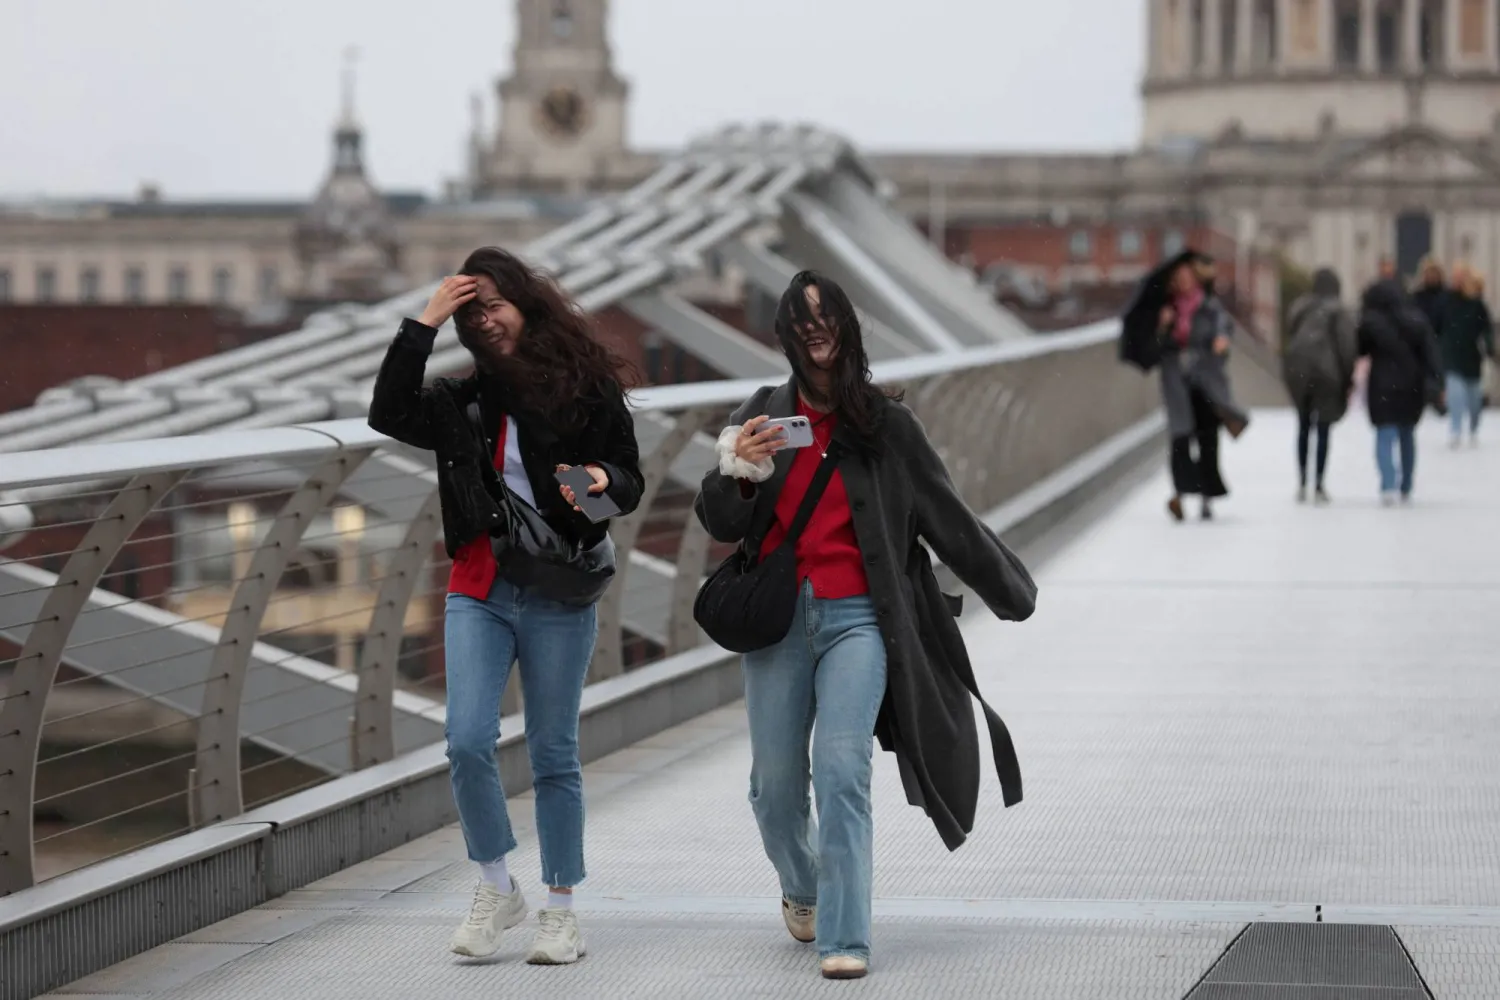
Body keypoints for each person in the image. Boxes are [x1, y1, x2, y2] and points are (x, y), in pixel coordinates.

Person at [694, 271, 1036, 981]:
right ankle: (804, 887)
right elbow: (720, 522)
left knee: (844, 769)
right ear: (786, 336)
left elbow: (947, 515)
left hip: (859, 621)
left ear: (847, 327)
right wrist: (738, 472)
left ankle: (845, 936)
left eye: (827, 316)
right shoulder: (761, 413)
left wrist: (1010, 589)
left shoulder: (887, 426)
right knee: (775, 789)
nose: (815, 329)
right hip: (781, 621)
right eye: (801, 319)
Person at [368, 246, 643, 965]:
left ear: (525, 305)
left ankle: (560, 908)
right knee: (465, 741)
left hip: (558, 588)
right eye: (470, 312)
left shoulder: (586, 391)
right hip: (479, 586)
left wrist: (593, 480)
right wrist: (422, 322)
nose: (483, 320)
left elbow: (630, 483)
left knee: (554, 753)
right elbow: (387, 410)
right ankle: (497, 884)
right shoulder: (463, 401)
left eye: (493, 304)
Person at [1156, 253, 1249, 522]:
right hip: (1177, 382)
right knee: (1180, 440)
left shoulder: (1209, 307)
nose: (1183, 282)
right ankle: (1180, 494)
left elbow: (1224, 330)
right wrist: (1163, 327)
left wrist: (1221, 340)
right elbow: (1157, 347)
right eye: (1178, 278)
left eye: (1187, 277)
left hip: (1205, 383)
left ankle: (1207, 496)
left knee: (1208, 440)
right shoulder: (1168, 309)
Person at [1356, 278, 1442, 505]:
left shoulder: (1371, 324)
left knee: (1384, 435)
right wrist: (1434, 380)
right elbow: (1430, 355)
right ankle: (1406, 483)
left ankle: (1387, 483)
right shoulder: (1417, 321)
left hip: (1382, 385)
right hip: (1411, 385)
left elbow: (1359, 350)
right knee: (1407, 435)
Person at [1281, 268, 1357, 503]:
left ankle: (1302, 481)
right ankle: (1319, 484)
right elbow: (1346, 347)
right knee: (1323, 429)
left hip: (1299, 371)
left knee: (1303, 426)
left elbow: (1289, 335)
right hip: (1327, 374)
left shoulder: (1300, 308)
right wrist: (1347, 377)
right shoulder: (1338, 311)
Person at [1437, 265, 1495, 447]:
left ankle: (1473, 427)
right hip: (1451, 356)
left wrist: (1490, 348)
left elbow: (1486, 329)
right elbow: (1436, 326)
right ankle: (1455, 429)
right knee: (1456, 395)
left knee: (1474, 400)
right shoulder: (1445, 301)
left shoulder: (1477, 304)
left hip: (1471, 357)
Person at [1411, 255, 1448, 336]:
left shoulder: (1447, 297)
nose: (1432, 276)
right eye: (1429, 272)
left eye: (1434, 272)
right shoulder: (1417, 297)